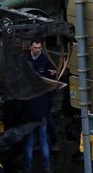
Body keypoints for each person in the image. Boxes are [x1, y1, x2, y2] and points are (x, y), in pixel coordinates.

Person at [22, 39, 54, 173]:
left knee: (30, 143)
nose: (37, 50)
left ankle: (28, 169)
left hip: (31, 115)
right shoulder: (43, 89)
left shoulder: (28, 89)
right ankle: (46, 168)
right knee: (43, 142)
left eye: (39, 48)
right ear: (30, 47)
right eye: (35, 48)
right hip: (41, 114)